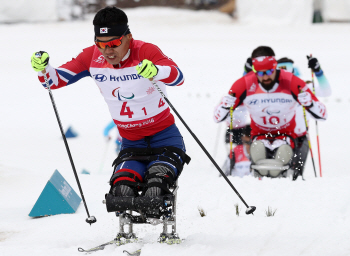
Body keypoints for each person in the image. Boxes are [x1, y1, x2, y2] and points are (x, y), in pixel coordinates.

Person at [31, 6, 190, 223]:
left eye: (114, 43)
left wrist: (157, 70)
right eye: (101, 44)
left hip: (165, 138)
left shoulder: (145, 51)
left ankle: (166, 228)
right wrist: (44, 69)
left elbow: (178, 76)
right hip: (132, 144)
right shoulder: (91, 57)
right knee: (121, 192)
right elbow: (55, 80)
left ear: (128, 37)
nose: (108, 51)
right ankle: (126, 234)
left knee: (156, 189)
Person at [214, 46, 327, 180]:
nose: (265, 77)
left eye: (269, 71)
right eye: (260, 73)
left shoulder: (292, 81)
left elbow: (323, 115)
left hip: (286, 135)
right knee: (258, 154)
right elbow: (217, 117)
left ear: (275, 67)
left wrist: (310, 104)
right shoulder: (244, 84)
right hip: (259, 136)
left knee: (281, 159)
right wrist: (225, 107)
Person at [277, 56, 331, 179]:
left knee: (297, 174)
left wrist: (318, 72)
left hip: (301, 138)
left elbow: (326, 91)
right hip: (280, 137)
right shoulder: (272, 89)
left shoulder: (303, 87)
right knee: (280, 172)